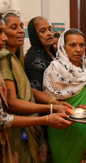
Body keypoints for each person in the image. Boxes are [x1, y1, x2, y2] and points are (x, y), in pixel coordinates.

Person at [0, 13, 73, 162]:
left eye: (21, 26)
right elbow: (12, 103)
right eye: (14, 28)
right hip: (21, 124)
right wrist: (51, 108)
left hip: (31, 121)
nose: (21, 31)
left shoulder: (17, 57)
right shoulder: (7, 58)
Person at [43, 28, 86, 163]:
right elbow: (49, 99)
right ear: (63, 46)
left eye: (81, 45)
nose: (78, 49)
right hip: (63, 127)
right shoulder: (54, 69)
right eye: (72, 45)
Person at [24, 16, 73, 161]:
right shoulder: (33, 57)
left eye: (50, 29)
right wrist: (55, 103)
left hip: (58, 107)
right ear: (34, 34)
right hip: (46, 112)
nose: (49, 33)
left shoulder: (52, 53)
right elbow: (34, 90)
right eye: (43, 30)